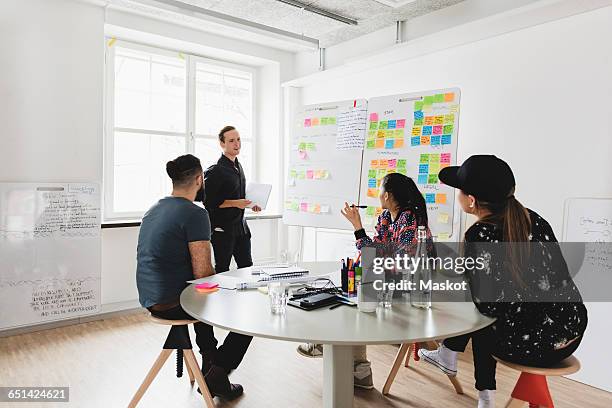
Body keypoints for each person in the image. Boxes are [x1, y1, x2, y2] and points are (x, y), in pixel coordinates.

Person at [418, 155, 588, 408]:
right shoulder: (534, 219)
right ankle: (454, 361)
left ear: (472, 200)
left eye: (459, 191)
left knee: (481, 317)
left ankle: (476, 387)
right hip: (572, 331)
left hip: (534, 346)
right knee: (490, 312)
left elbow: (487, 307)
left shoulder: (479, 234)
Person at [297, 173, 433, 390]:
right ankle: (355, 367)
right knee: (348, 290)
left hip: (409, 286)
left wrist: (371, 259)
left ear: (387, 195)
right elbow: (374, 252)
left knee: (357, 298)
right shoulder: (385, 217)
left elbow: (401, 261)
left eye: (380, 189)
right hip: (387, 278)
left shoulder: (410, 219)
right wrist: (357, 226)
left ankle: (333, 345)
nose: (378, 194)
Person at [136, 154, 252, 400]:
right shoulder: (195, 213)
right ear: (200, 179)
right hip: (173, 302)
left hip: (150, 297)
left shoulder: (154, 208)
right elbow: (203, 274)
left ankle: (210, 362)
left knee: (204, 295)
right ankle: (217, 372)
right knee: (249, 312)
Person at [202, 126, 261, 273]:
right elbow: (209, 201)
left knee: (247, 267)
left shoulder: (238, 166)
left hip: (241, 227)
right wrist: (236, 203)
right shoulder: (215, 170)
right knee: (223, 269)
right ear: (222, 144)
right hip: (223, 229)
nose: (237, 144)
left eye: (239, 139)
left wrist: (250, 204)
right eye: (232, 140)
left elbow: (237, 194)